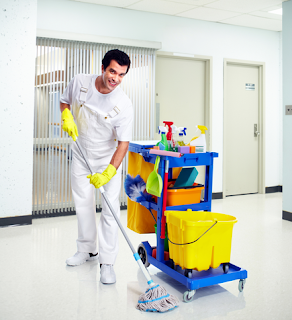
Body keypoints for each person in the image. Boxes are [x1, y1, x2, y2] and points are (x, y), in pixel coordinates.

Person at [60, 49, 133, 284]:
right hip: (81, 153)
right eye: (113, 71)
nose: (116, 78)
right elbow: (64, 102)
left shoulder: (123, 104)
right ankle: (87, 250)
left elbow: (123, 144)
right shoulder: (80, 82)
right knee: (82, 203)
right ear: (103, 68)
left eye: (122, 75)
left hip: (107, 158)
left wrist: (109, 171)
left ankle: (108, 262)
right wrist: (66, 116)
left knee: (110, 210)